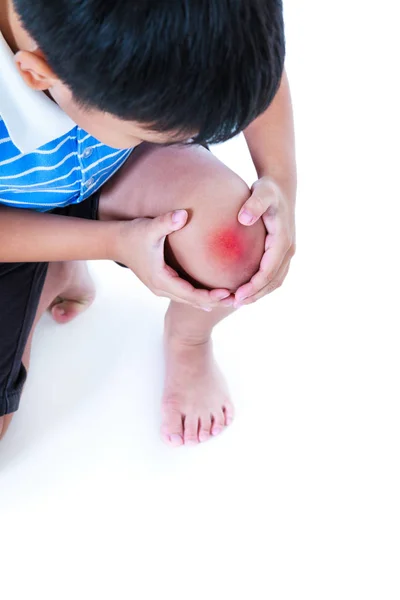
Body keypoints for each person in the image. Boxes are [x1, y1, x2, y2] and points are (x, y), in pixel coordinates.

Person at [0, 0, 297, 446]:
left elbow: (250, 60)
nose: (189, 142)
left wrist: (280, 182)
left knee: (236, 241)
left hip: (111, 170)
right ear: (38, 75)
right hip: (12, 221)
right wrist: (113, 242)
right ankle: (54, 262)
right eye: (159, 131)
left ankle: (187, 340)